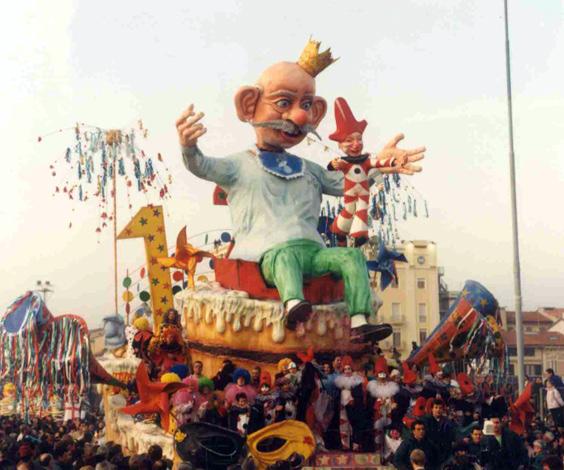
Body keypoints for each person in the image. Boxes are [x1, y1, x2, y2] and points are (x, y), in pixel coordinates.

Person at [176, 39, 425, 343]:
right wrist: (188, 146)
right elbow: (200, 165)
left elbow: (347, 183)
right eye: (284, 103)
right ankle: (294, 304)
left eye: (306, 106)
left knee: (350, 257)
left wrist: (379, 165)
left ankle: (360, 320)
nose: (300, 117)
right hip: (267, 255)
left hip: (313, 252)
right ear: (249, 105)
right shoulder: (239, 165)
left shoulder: (309, 169)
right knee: (284, 258)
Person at [422, 399, 456, 465]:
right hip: (429, 452)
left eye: (440, 408)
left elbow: (451, 437)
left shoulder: (447, 422)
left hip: (443, 453)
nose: (438, 410)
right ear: (432, 409)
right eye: (436, 407)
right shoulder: (426, 421)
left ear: (443, 409)